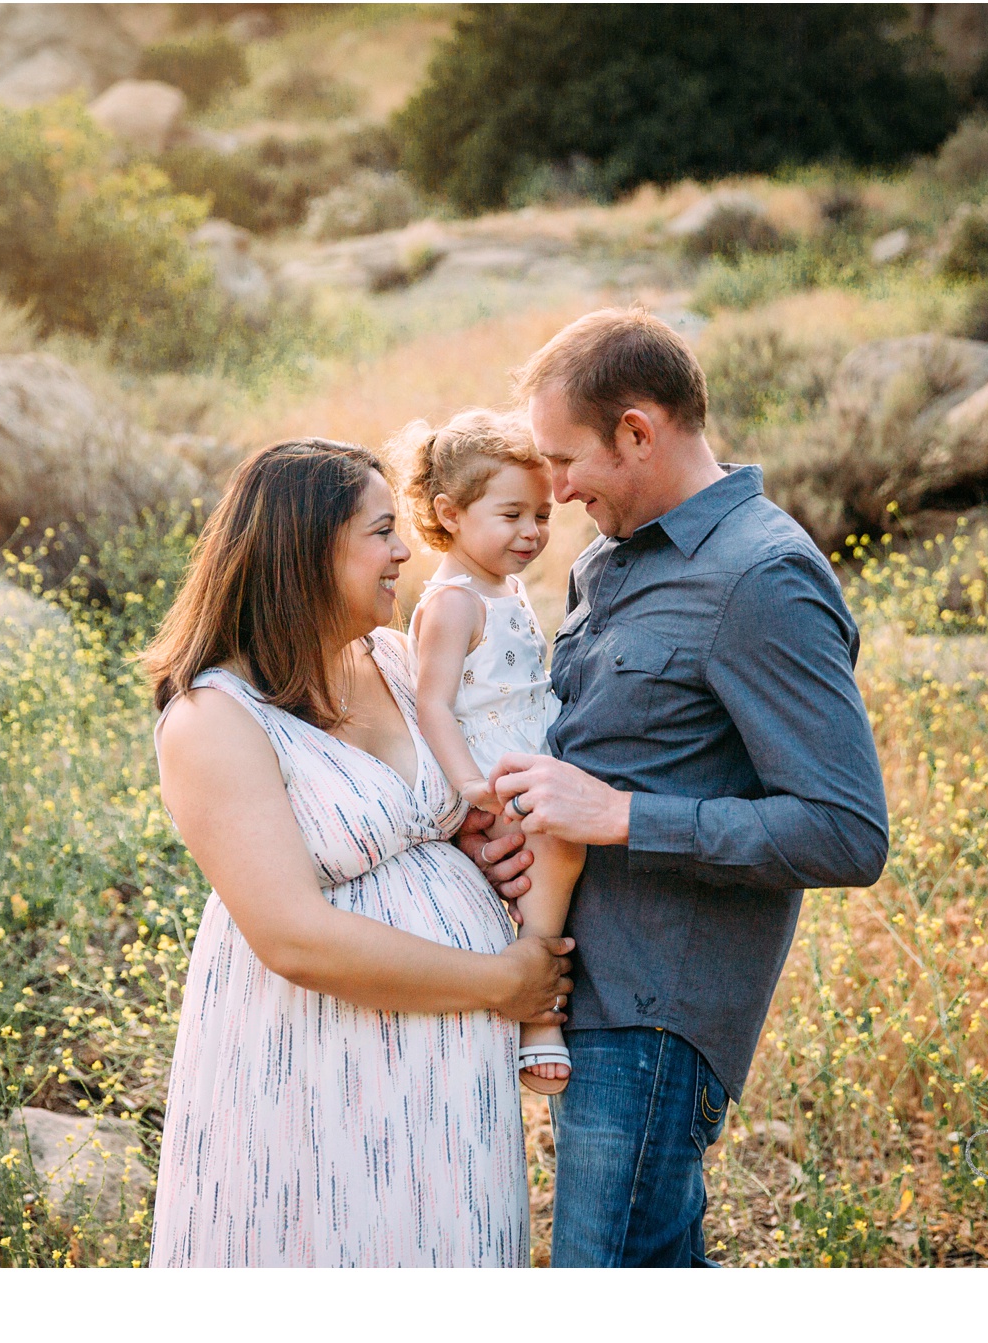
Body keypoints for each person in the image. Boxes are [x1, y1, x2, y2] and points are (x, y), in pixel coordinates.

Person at [458, 307, 890, 1268]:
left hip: (657, 1011)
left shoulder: (763, 577)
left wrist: (617, 817)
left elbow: (848, 831)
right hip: (583, 985)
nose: (557, 491)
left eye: (567, 461)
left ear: (639, 431)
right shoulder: (613, 557)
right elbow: (588, 742)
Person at [140, 437, 574, 1267]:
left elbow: (439, 813)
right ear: (307, 551)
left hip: (451, 1078)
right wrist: (505, 980)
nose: (406, 550)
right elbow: (292, 936)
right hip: (318, 1064)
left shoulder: (389, 656)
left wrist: (485, 850)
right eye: (381, 531)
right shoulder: (213, 717)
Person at [387, 410, 588, 1095]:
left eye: (541, 514)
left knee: (570, 844)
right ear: (450, 511)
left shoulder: (503, 584)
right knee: (561, 844)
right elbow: (433, 701)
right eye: (511, 514)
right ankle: (540, 1008)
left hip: (532, 757)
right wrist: (470, 783)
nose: (532, 531)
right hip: (497, 775)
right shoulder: (451, 601)